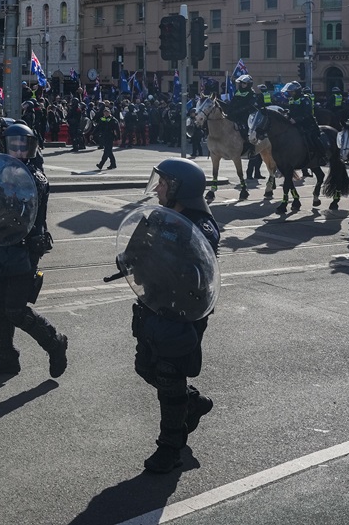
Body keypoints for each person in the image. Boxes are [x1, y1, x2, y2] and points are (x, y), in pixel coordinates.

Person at [136, 159, 222, 473]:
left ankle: (170, 448)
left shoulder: (202, 226)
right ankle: (193, 403)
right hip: (155, 304)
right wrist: (129, 259)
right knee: (146, 367)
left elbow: (197, 272)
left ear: (179, 189)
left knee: (170, 376)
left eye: (163, 182)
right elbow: (134, 251)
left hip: (184, 311)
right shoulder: (159, 216)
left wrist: (164, 264)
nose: (157, 187)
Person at [0, 122, 68, 379]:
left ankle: (55, 343)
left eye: (25, 145)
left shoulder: (36, 178)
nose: (20, 150)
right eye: (14, 145)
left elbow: (25, 206)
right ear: (6, 146)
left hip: (24, 250)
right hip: (1, 245)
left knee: (15, 310)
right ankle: (7, 359)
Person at [283, 81, 327, 162]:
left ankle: (322, 155)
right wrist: (287, 115)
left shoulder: (305, 99)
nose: (290, 93)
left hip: (307, 124)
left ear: (297, 91)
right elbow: (292, 111)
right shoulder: (292, 99)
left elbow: (307, 114)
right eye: (289, 92)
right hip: (295, 123)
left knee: (312, 138)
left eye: (291, 92)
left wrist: (296, 120)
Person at [92, 103, 119, 170]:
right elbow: (97, 128)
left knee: (106, 151)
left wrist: (118, 137)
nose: (106, 113)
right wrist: (93, 134)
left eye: (107, 112)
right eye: (105, 112)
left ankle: (101, 164)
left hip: (110, 137)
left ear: (109, 112)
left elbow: (117, 129)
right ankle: (113, 164)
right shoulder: (102, 119)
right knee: (109, 151)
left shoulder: (113, 120)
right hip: (104, 137)